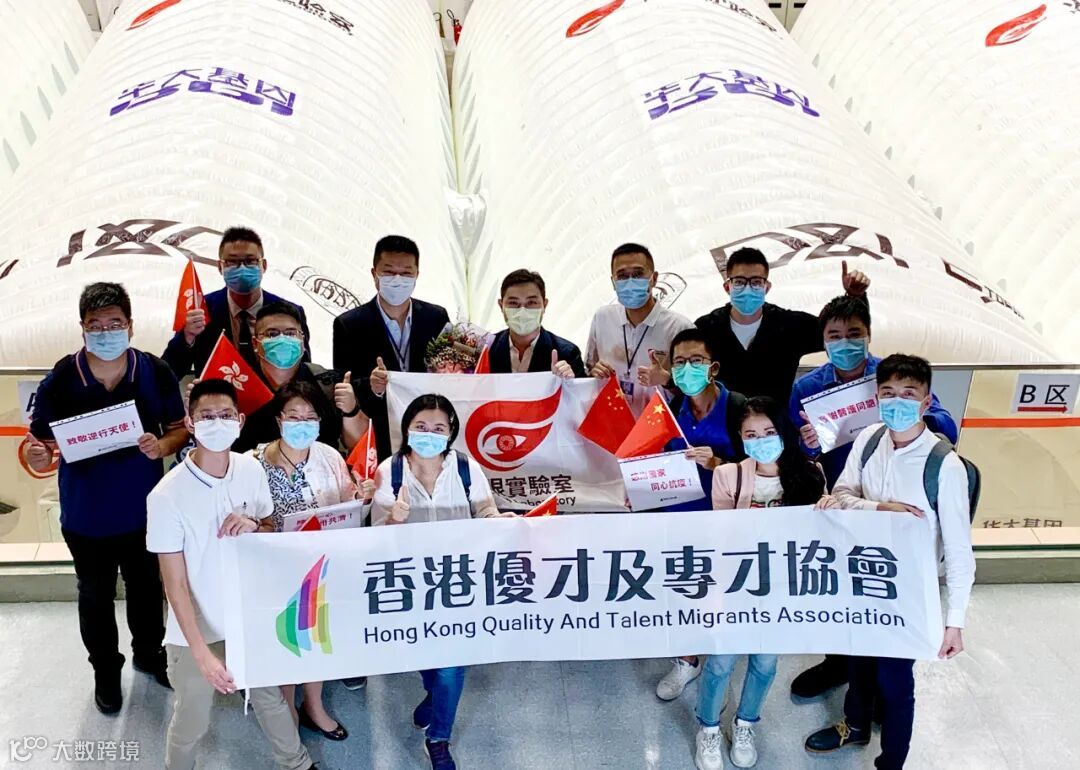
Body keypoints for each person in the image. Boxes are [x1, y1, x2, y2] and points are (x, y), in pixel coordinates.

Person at [804, 354, 975, 770]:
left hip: (909, 591)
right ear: (877, 397)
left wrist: (955, 621)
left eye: (908, 394)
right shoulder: (870, 440)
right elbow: (841, 494)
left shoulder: (944, 465)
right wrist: (882, 509)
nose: (897, 402)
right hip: (862, 575)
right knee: (859, 660)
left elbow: (958, 550)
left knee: (895, 683)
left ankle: (891, 762)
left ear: (926, 401)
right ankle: (855, 725)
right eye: (888, 393)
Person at [25, 282, 187, 714]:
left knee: (146, 589)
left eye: (114, 323)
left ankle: (149, 654)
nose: (105, 332)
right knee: (94, 596)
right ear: (82, 328)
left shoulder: (154, 371)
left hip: (144, 511)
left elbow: (178, 430)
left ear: (130, 326)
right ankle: (105, 671)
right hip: (86, 514)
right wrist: (38, 454)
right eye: (95, 325)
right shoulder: (63, 377)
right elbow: (38, 446)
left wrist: (161, 446)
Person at [787, 296, 957, 699]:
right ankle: (838, 662)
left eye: (854, 334)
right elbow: (799, 451)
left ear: (868, 336)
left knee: (882, 586)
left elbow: (946, 425)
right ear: (823, 341)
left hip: (894, 503)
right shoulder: (808, 387)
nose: (845, 343)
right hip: (843, 499)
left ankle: (884, 679)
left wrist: (904, 414)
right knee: (837, 584)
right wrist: (807, 443)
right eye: (835, 336)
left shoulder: (891, 377)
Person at [147, 380, 318, 770]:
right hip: (195, 628)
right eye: (206, 416)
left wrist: (253, 525)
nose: (217, 423)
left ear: (240, 421)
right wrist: (201, 653)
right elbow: (174, 585)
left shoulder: (250, 469)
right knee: (192, 717)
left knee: (270, 698)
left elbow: (270, 528)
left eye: (225, 415)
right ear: (190, 423)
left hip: (248, 615)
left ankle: (298, 763)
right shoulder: (166, 496)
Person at [370, 394, 516, 770]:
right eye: (421, 426)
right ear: (406, 428)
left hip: (458, 581)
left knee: (452, 664)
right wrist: (394, 518)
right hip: (410, 582)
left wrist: (496, 519)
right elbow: (373, 537)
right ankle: (434, 695)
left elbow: (484, 508)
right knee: (424, 654)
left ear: (451, 432)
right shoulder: (390, 471)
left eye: (438, 428)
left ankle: (438, 738)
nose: (429, 434)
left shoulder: (465, 467)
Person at [694, 397, 825, 770]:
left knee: (765, 663)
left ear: (783, 431)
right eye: (751, 434)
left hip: (781, 589)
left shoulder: (810, 474)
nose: (761, 440)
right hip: (736, 586)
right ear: (740, 437)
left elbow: (817, 536)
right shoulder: (728, 475)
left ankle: (746, 723)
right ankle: (708, 728)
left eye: (769, 431)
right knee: (720, 662)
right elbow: (719, 537)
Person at [252, 379, 376, 738]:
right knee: (283, 638)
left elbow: (350, 509)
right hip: (272, 569)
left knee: (315, 636)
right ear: (279, 420)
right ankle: (286, 705)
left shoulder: (330, 457)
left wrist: (364, 498)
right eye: (294, 416)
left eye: (310, 417)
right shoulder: (252, 463)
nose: (302, 424)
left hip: (320, 569)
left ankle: (313, 705)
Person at [654, 328, 747, 702]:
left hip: (727, 520)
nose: (686, 369)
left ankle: (722, 658)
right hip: (681, 517)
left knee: (724, 591)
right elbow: (656, 458)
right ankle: (687, 660)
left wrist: (718, 463)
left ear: (713, 367)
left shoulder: (738, 408)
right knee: (685, 587)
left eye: (696, 361)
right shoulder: (669, 408)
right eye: (679, 362)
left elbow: (764, 466)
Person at [694, 247, 871, 405]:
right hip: (723, 427)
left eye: (756, 282)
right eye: (739, 282)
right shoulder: (705, 329)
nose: (748, 288)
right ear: (727, 287)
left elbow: (840, 333)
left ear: (767, 287)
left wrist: (854, 296)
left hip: (779, 426)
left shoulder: (790, 325)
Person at [332, 235, 450, 461]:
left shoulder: (436, 318)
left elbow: (448, 370)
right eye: (388, 272)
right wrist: (373, 387)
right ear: (374, 274)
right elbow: (344, 382)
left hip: (429, 433)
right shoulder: (349, 324)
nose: (397, 279)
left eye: (406, 273)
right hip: (380, 436)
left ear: (417, 275)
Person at [162, 226, 311, 378]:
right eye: (232, 262)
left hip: (272, 392)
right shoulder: (201, 309)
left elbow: (304, 373)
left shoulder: (290, 313)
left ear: (264, 265)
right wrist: (187, 337)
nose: (242, 268)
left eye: (250, 261)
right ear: (220, 267)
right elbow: (168, 374)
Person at [234, 301, 367, 454]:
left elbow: (359, 446)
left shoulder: (328, 383)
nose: (282, 339)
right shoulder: (239, 385)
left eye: (290, 333)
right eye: (272, 334)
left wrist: (351, 410)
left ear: (302, 341)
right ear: (255, 343)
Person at [586, 243, 693, 415]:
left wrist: (667, 380)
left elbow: (698, 389)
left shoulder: (680, 328)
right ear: (613, 282)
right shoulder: (602, 317)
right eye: (622, 276)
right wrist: (594, 372)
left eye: (637, 274)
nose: (630, 282)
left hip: (658, 424)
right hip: (611, 420)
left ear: (654, 278)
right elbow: (589, 369)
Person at [486, 269, 586, 377]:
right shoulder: (485, 350)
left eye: (531, 302)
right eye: (513, 303)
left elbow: (582, 387)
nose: (522, 311)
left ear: (544, 305)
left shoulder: (567, 354)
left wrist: (570, 382)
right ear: (501, 305)